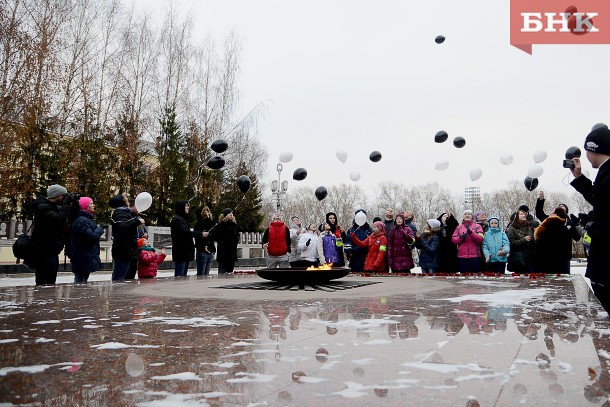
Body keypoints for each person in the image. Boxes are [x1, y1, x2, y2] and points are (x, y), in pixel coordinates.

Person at [570, 126, 610, 311]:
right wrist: (579, 177)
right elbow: (599, 199)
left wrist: (594, 225)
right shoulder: (605, 172)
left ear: (592, 149)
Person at [30, 184, 80, 285]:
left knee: (51, 281)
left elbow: (70, 218)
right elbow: (57, 219)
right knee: (43, 281)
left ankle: (48, 298)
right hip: (43, 249)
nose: (64, 198)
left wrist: (74, 204)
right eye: (63, 196)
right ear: (57, 196)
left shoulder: (54, 207)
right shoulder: (42, 207)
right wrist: (66, 204)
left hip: (52, 249)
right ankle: (41, 298)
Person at [69, 197, 105, 283]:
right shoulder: (82, 221)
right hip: (83, 257)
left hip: (85, 256)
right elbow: (91, 236)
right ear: (85, 206)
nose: (93, 205)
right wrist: (100, 229)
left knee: (83, 280)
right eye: (91, 203)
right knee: (80, 281)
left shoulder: (86, 219)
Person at [109, 193, 144, 281]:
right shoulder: (120, 213)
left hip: (125, 249)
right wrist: (137, 221)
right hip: (123, 249)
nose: (127, 200)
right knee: (120, 276)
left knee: (122, 275)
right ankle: (116, 293)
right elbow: (123, 226)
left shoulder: (123, 213)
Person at [534, 207, 571, 274]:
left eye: (552, 211)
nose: (550, 212)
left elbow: (539, 242)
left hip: (545, 261)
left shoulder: (547, 225)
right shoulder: (564, 228)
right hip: (560, 262)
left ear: (555, 214)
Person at [170, 200, 202, 277]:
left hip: (184, 253)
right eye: (186, 206)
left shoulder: (182, 219)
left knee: (183, 277)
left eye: (188, 206)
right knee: (180, 277)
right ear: (181, 207)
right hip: (181, 252)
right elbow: (185, 233)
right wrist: (200, 234)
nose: (188, 207)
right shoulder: (177, 219)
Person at [205, 208, 240, 274]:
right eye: (229, 213)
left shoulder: (234, 225)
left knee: (230, 272)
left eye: (232, 213)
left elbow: (237, 236)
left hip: (232, 252)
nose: (231, 215)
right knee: (222, 272)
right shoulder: (220, 225)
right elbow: (215, 236)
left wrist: (235, 241)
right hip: (223, 252)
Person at [506, 208, 536, 273]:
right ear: (517, 217)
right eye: (521, 214)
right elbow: (511, 243)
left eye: (524, 214)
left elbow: (532, 238)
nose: (524, 215)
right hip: (518, 257)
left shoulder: (528, 227)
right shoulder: (512, 228)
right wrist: (523, 240)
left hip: (529, 256)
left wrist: (533, 238)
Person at [194, 206, 216, 276]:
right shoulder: (198, 224)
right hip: (202, 251)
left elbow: (213, 234)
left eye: (208, 211)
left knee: (207, 274)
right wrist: (203, 246)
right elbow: (197, 238)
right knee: (201, 274)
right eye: (206, 211)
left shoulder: (210, 223)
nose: (208, 213)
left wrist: (209, 219)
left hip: (210, 250)